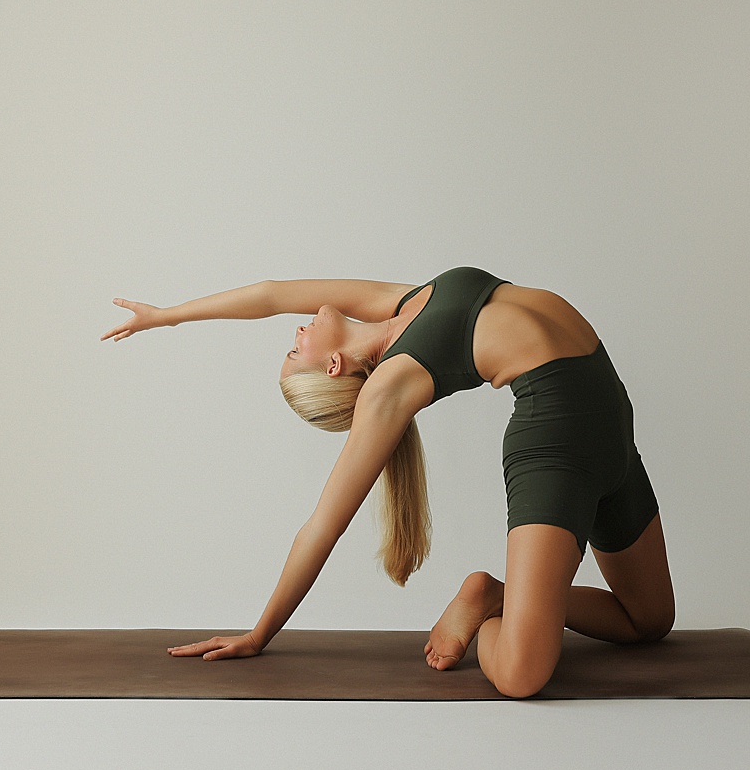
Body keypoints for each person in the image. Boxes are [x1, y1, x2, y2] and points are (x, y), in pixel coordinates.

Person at [101, 268, 674, 699]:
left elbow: (272, 294)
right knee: (523, 675)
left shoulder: (400, 304)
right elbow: (321, 527)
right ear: (332, 368)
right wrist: (258, 633)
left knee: (648, 621)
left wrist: (166, 315)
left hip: (611, 419)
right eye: (291, 349)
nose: (296, 330)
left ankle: (506, 597)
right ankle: (486, 598)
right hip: (557, 439)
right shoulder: (390, 385)